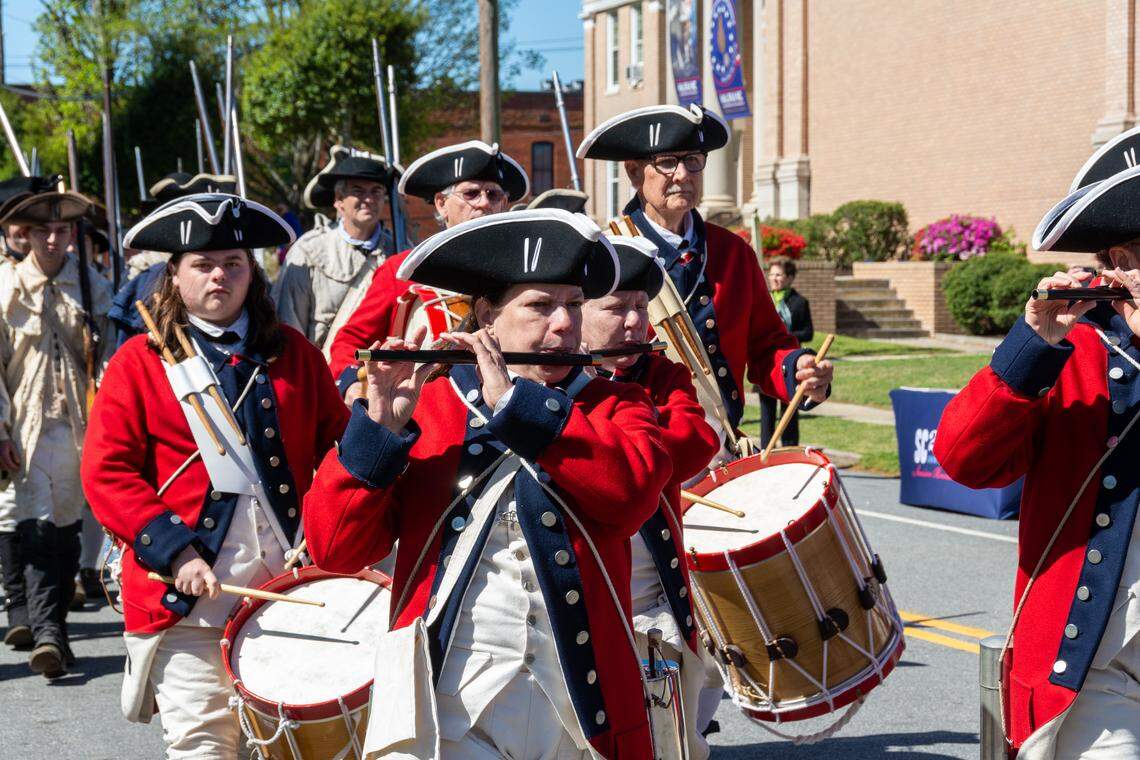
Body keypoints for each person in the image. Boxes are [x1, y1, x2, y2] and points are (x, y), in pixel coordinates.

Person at [303, 209, 672, 758]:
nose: (564, 324)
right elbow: (336, 550)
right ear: (486, 318)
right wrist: (377, 431)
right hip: (450, 703)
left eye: (573, 304)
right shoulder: (432, 405)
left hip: (581, 707)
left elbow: (630, 499)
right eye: (540, 305)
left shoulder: (616, 405)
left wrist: (518, 406)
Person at [80, 193, 349, 757]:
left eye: (233, 263)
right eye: (203, 265)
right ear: (174, 276)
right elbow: (107, 472)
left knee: (284, 748)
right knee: (203, 745)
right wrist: (175, 551)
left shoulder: (296, 355)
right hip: (187, 602)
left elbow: (339, 451)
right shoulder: (137, 362)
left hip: (284, 592)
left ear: (253, 273)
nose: (220, 276)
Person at [935, 156, 1140, 758]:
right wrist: (1028, 350)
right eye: (1126, 260)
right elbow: (964, 460)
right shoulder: (1075, 351)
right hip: (1103, 673)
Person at [577, 104, 833, 454]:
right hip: (636, 451)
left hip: (717, 449)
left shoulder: (733, 252)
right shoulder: (602, 257)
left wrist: (799, 370)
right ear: (634, 172)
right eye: (667, 162)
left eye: (693, 160)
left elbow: (767, 345)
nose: (683, 174)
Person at [581, 235, 720, 758]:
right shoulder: (553, 380)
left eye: (641, 307)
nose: (635, 322)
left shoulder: (662, 374)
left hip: (651, 599)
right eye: (616, 308)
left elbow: (695, 442)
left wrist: (624, 440)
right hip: (587, 602)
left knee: (672, 735)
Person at [0, 188, 111, 677]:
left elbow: (107, 357)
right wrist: (0, 430)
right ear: (25, 235)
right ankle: (47, 632)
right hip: (24, 427)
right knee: (36, 525)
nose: (52, 239)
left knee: (67, 528)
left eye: (61, 230)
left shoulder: (92, 286)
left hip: (78, 427)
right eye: (42, 231)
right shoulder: (5, 286)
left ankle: (56, 630)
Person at [325, 140, 528, 398]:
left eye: (493, 195)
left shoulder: (519, 274)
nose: (483, 203)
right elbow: (349, 342)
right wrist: (353, 383)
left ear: (505, 203)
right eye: (471, 194)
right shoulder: (403, 268)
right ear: (441, 203)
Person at [272, 146, 397, 355]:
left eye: (376, 191)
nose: (368, 199)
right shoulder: (308, 251)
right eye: (358, 191)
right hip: (324, 370)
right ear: (339, 200)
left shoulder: (399, 252)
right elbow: (289, 325)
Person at [760, 256, 814, 448]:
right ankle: (766, 450)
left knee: (790, 410)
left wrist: (784, 335)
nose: (774, 278)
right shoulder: (763, 300)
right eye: (772, 274)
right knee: (766, 411)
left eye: (779, 275)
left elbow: (808, 332)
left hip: (791, 362)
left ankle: (790, 449)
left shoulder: (799, 302)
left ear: (790, 278)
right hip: (766, 362)